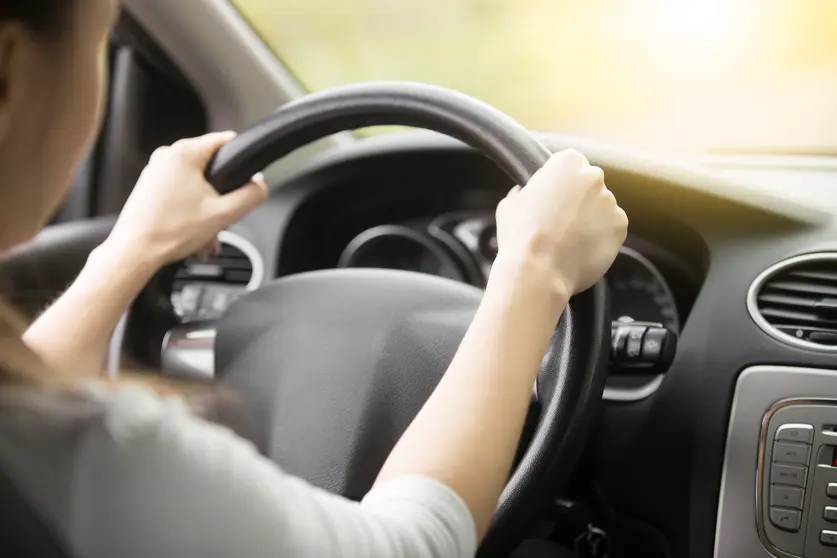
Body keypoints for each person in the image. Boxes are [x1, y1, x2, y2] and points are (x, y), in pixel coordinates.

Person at [0, 0, 628, 557]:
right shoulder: (96, 456)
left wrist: (130, 252)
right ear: (9, 71)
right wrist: (533, 271)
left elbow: (29, 387)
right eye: (102, 36)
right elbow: (415, 544)